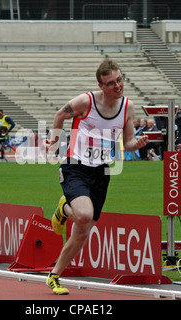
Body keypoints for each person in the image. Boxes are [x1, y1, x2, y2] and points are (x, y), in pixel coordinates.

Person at [43, 59, 148, 295]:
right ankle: (65, 208)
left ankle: (54, 275)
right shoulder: (85, 102)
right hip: (75, 166)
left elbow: (127, 142)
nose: (118, 86)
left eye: (120, 80)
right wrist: (55, 142)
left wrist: (137, 144)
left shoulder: (127, 107)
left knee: (83, 230)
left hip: (101, 172)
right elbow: (60, 114)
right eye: (111, 83)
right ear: (101, 85)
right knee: (83, 215)